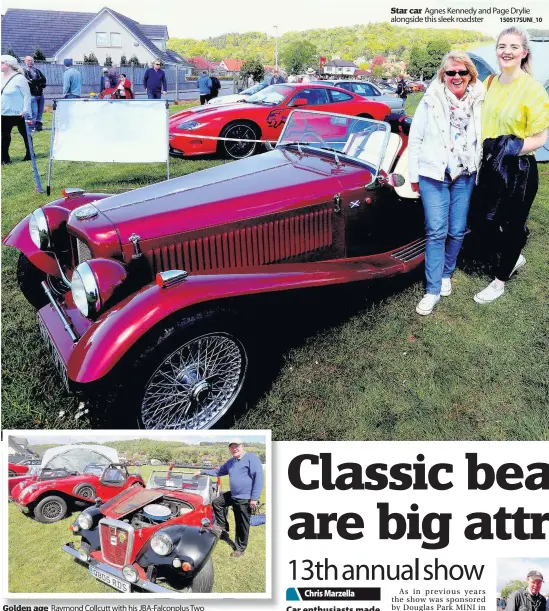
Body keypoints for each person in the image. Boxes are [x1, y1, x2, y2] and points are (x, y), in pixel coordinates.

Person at [472, 27, 549, 304]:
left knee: (512, 224)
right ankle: (514, 251)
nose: (507, 51)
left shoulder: (533, 88)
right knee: (484, 220)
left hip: (519, 170)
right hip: (491, 165)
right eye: (502, 45)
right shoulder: (491, 81)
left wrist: (509, 148)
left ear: (524, 52)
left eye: (514, 46)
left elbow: (540, 138)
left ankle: (500, 281)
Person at [408, 50, 485, 315]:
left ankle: (446, 274)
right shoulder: (430, 100)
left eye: (462, 72)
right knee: (436, 232)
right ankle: (432, 290)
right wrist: (414, 178)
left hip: (465, 174)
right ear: (443, 74)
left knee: (457, 230)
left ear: (470, 75)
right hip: (433, 175)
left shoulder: (480, 100)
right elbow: (415, 139)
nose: (456, 77)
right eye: (450, 72)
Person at [207, 438, 264, 558]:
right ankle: (223, 527)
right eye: (232, 447)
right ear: (229, 449)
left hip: (245, 498)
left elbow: (258, 478)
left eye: (236, 446)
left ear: (242, 446)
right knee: (217, 502)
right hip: (234, 495)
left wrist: (254, 498)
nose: (234, 449)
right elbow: (218, 472)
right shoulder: (231, 462)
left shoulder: (251, 458)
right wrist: (202, 472)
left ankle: (240, 549)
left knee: (242, 523)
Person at [1, 55, 32, 165]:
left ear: (9, 65)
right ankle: (4, 158)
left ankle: (30, 154)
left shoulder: (19, 78)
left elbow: (27, 95)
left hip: (19, 113)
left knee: (25, 134)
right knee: (4, 136)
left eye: (2, 63)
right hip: (4, 113)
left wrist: (26, 110)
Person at [23, 56, 46, 132]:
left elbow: (44, 80)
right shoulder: (24, 71)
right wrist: (38, 81)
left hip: (40, 94)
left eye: (32, 60)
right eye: (29, 60)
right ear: (25, 61)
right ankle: (31, 127)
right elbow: (29, 83)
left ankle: (38, 126)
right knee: (34, 112)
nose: (30, 62)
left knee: (40, 112)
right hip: (32, 95)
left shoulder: (37, 71)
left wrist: (36, 81)